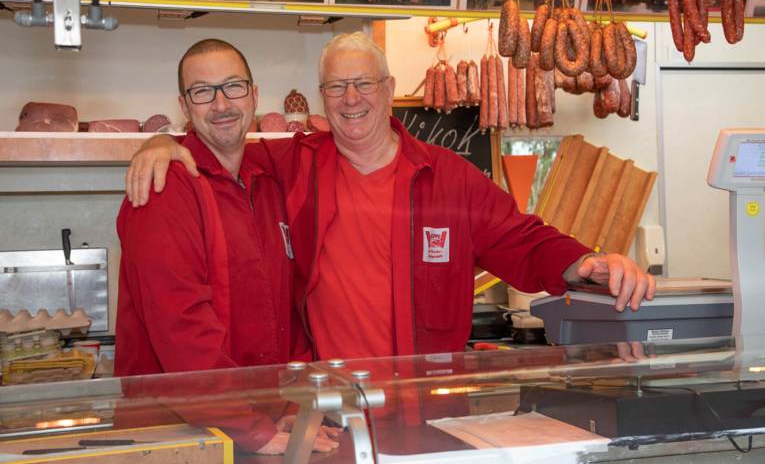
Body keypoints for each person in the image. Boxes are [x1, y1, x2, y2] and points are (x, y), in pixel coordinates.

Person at [125, 32, 656, 362]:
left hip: (423, 400)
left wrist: (583, 262)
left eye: (364, 84)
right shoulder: (292, 164)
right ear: (321, 96)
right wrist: (165, 143)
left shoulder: (448, 178)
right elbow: (223, 148)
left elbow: (521, 240)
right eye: (335, 87)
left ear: (388, 86)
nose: (350, 99)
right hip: (328, 401)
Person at [114, 38, 337, 454]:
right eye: (203, 92)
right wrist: (254, 431)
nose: (221, 104)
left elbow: (281, 307)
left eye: (233, 87)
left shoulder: (266, 177)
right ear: (185, 105)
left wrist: (288, 404)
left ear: (254, 95)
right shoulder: (166, 188)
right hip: (176, 437)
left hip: (252, 425)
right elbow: (181, 329)